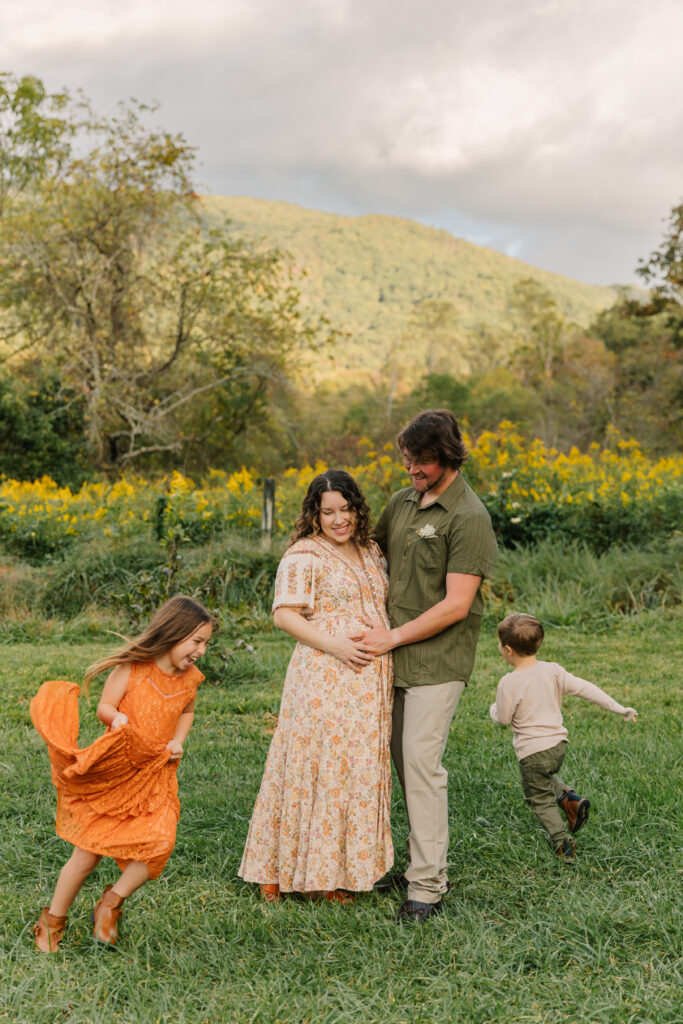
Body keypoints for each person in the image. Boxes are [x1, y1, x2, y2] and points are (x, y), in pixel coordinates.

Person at [363, 409, 498, 922]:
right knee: (400, 762)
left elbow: (457, 604)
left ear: (447, 457)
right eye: (407, 460)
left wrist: (392, 636)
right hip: (390, 657)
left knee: (421, 764)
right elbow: (370, 556)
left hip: (438, 661)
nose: (411, 470)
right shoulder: (401, 502)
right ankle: (421, 859)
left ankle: (427, 887)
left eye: (421, 462)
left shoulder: (469, 517)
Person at [239, 470, 393, 902]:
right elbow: (284, 615)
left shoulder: (371, 551)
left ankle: (340, 871)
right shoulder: (304, 554)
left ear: (357, 508)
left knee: (355, 771)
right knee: (313, 764)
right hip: (324, 675)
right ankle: (282, 870)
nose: (339, 519)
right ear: (315, 514)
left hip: (369, 683)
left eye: (346, 509)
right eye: (328, 512)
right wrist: (338, 646)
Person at [30, 595, 213, 952]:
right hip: (118, 770)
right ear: (174, 633)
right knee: (87, 855)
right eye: (197, 641)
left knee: (159, 844)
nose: (202, 650)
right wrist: (117, 718)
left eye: (206, 643)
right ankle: (52, 921)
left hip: (156, 772)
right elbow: (105, 706)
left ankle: (111, 902)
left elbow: (187, 710)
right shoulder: (133, 668)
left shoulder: (190, 678)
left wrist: (178, 740)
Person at [490, 612, 638, 863]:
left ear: (507, 649)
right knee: (544, 775)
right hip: (557, 747)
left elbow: (503, 718)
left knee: (538, 799)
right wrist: (619, 707)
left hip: (532, 752)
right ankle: (570, 799)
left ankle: (562, 842)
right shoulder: (553, 670)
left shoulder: (508, 683)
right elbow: (585, 689)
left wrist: (493, 710)